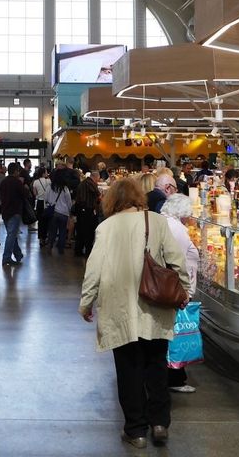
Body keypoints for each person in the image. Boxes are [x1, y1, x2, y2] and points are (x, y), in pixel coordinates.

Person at [80, 177, 190, 449]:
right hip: (155, 306)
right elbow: (177, 260)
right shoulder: (157, 221)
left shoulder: (106, 227)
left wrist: (86, 301)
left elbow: (94, 268)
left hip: (120, 308)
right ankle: (160, 423)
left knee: (129, 369)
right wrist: (183, 291)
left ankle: (136, 430)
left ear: (112, 200)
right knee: (156, 366)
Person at [159, 194, 199, 394]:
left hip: (166, 288)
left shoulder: (163, 223)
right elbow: (180, 263)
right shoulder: (178, 230)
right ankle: (174, 377)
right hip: (175, 289)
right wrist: (186, 292)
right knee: (175, 335)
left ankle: (170, 376)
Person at [0, 163, 27, 266]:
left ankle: (18, 254)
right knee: (11, 235)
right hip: (15, 211)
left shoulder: (3, 182)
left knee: (12, 234)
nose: (19, 172)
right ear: (15, 171)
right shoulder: (17, 182)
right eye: (18, 171)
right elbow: (24, 194)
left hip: (5, 211)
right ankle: (6, 258)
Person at [44, 169, 75, 254]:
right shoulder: (65, 189)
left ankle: (50, 246)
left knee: (52, 231)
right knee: (62, 231)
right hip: (64, 213)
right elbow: (69, 202)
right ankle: (60, 249)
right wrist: (70, 212)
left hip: (53, 213)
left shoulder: (50, 187)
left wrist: (48, 205)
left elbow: (45, 199)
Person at [72, 176, 101, 257]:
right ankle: (88, 251)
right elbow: (97, 196)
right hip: (89, 211)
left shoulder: (82, 184)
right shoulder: (92, 185)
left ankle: (78, 250)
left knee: (80, 231)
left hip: (80, 210)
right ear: (95, 177)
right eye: (98, 179)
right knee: (90, 233)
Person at [32, 167, 53, 245]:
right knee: (47, 221)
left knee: (40, 221)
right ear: (44, 173)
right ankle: (46, 237)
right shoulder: (49, 181)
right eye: (46, 172)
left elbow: (34, 193)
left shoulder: (35, 182)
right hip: (47, 202)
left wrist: (39, 195)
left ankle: (41, 238)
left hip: (39, 202)